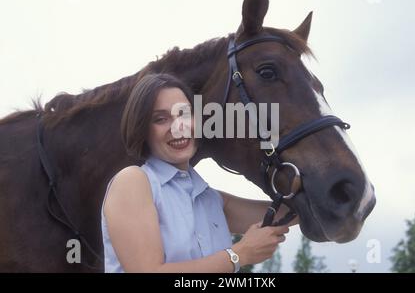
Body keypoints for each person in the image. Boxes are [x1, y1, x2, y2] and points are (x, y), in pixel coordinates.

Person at [101, 73, 297, 273]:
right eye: (161, 119)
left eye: (185, 114)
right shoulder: (133, 181)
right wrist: (239, 254)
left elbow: (293, 211)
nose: (179, 127)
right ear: (141, 129)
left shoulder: (208, 197)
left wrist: (322, 192)